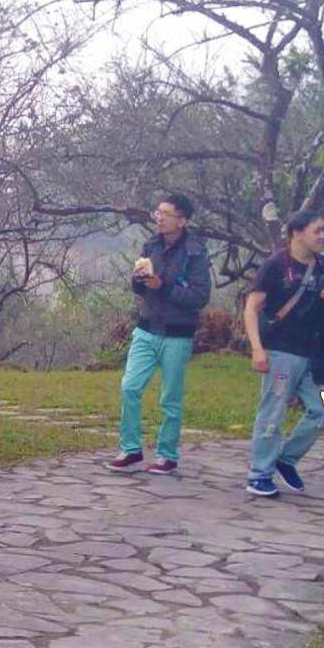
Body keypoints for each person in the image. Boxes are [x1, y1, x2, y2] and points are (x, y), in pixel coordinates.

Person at [105, 194, 212, 476]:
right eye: (158, 212)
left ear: (183, 220)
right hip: (147, 327)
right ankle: (130, 449)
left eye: (166, 214)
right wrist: (139, 281)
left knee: (170, 397)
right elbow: (141, 289)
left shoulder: (196, 252)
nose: (159, 218)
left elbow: (200, 296)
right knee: (130, 386)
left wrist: (163, 286)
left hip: (177, 334)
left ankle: (167, 455)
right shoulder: (151, 244)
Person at [243, 210, 324, 497]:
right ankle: (259, 474)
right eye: (317, 230)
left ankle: (286, 459)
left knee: (322, 410)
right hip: (280, 351)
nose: (322, 236)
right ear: (297, 233)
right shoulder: (276, 265)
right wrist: (257, 349)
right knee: (273, 411)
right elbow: (252, 308)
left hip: (314, 354)